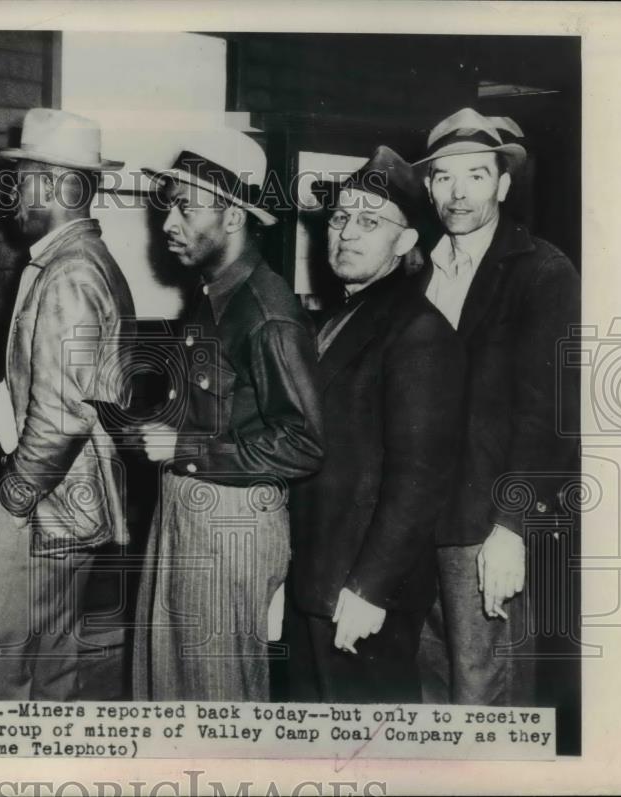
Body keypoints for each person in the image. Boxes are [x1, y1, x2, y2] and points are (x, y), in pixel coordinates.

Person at [0, 108, 135, 700]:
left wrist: (13, 501)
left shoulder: (70, 273)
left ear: (50, 186)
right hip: (70, 507)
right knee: (52, 670)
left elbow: (63, 415)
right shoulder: (83, 261)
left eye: (20, 180)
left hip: (45, 507)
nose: (13, 194)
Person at [134, 129, 324, 701]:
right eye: (170, 206)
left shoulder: (266, 313)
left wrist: (187, 450)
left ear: (235, 217)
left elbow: (304, 443)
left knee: (217, 696)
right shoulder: (213, 295)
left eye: (187, 208)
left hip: (231, 522)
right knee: (170, 683)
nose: (169, 223)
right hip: (191, 509)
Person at [283, 146, 465, 703]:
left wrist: (369, 589)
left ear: (406, 241)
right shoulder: (345, 314)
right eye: (340, 217)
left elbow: (419, 479)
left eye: (370, 221)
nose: (347, 233)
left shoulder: (418, 330)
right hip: (318, 575)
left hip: (360, 593)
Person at [414, 107, 581, 705]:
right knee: (430, 694)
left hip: (483, 526)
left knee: (484, 699)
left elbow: (550, 415)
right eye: (444, 176)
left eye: (477, 175)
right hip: (418, 521)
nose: (458, 193)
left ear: (503, 185)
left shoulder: (541, 271)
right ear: (429, 185)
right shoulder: (418, 272)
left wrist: (511, 528)